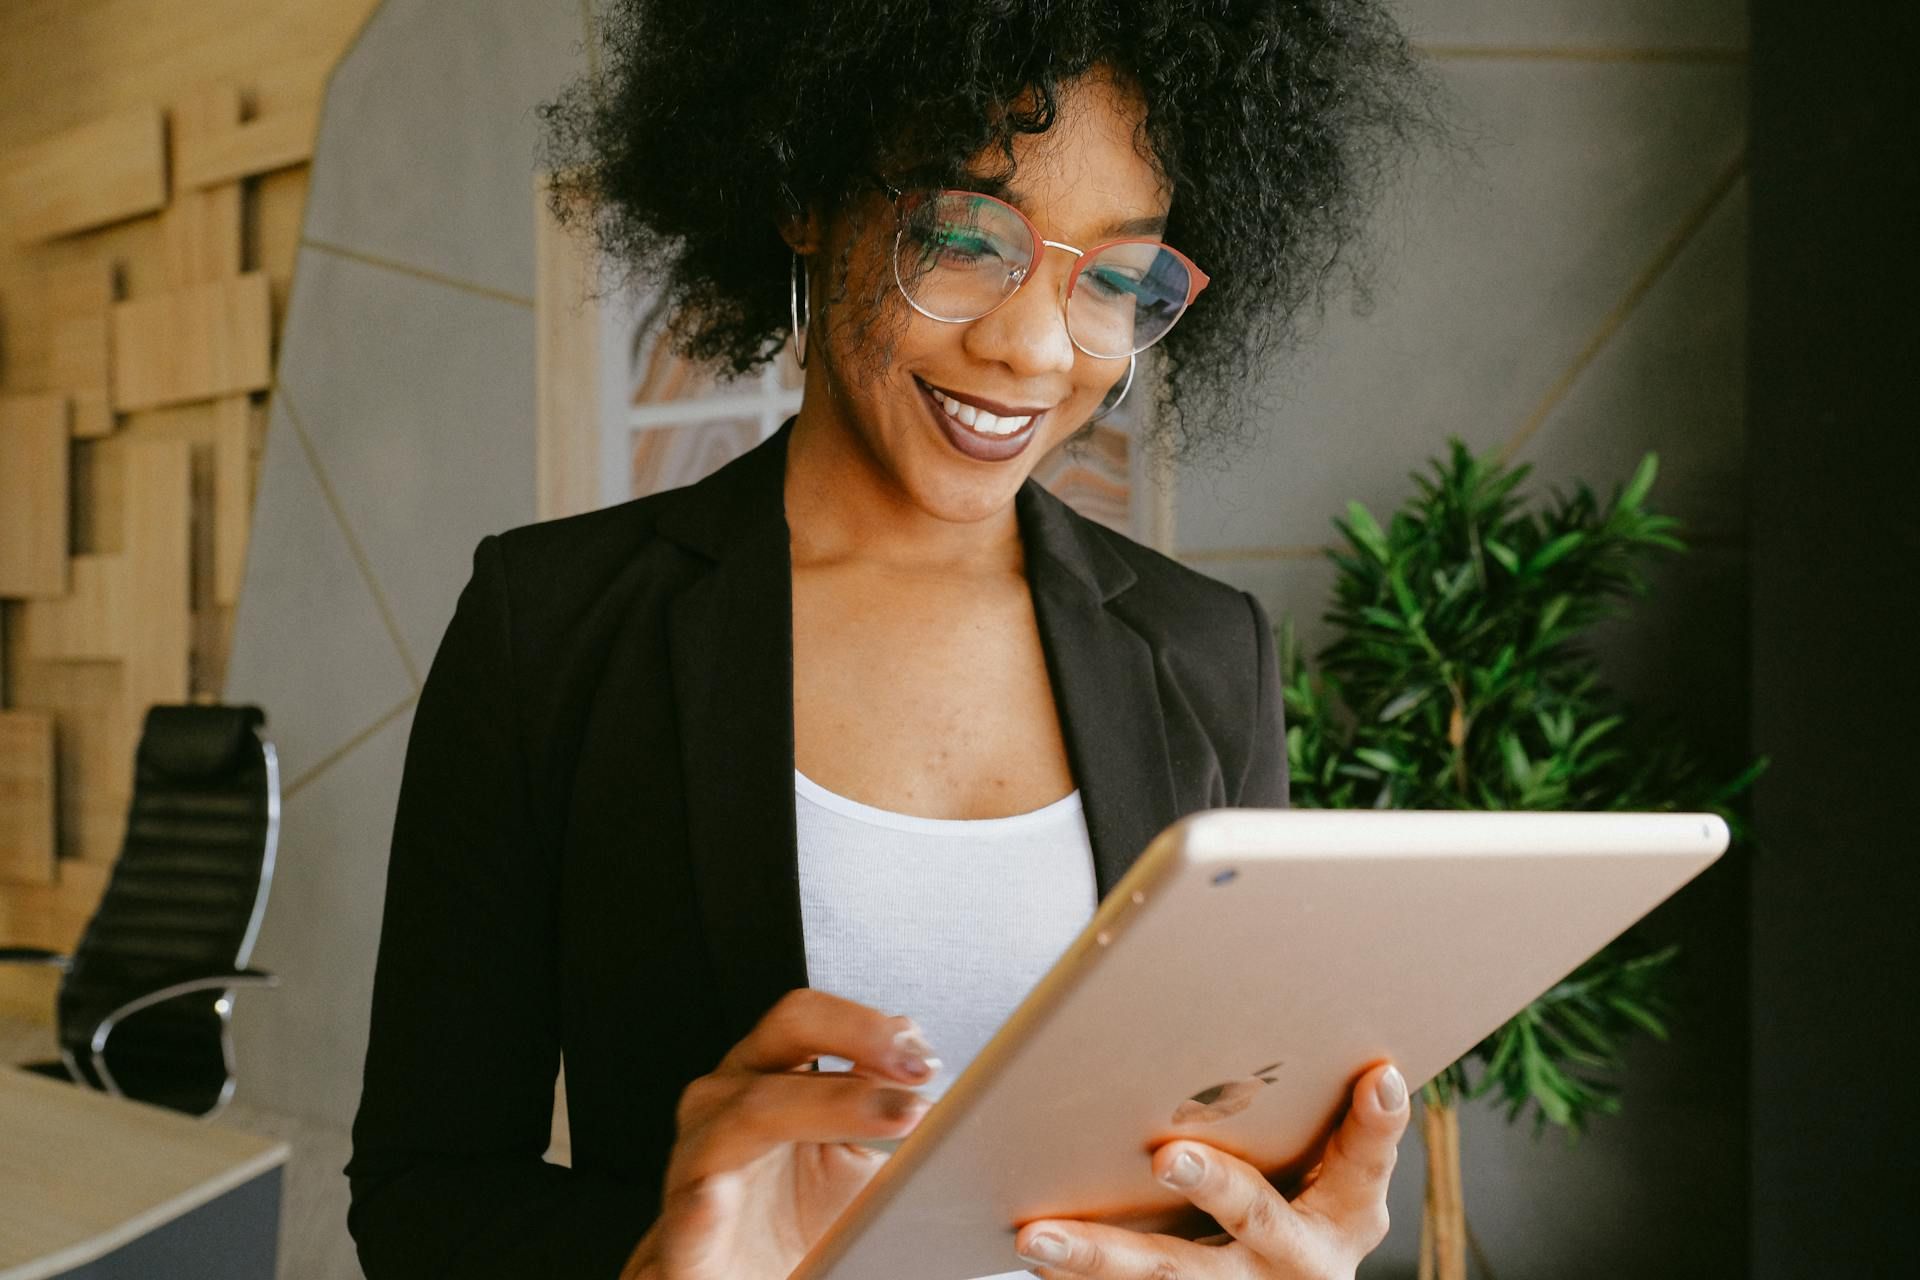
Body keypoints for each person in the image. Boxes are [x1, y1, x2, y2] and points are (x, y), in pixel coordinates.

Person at [345, 3, 1434, 1277]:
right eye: (967, 239)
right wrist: (656, 1261)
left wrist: (1302, 1240)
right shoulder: (558, 626)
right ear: (805, 195)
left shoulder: (1207, 653)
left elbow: (1235, 1162)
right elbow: (422, 1192)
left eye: (1119, 278)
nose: (1033, 347)